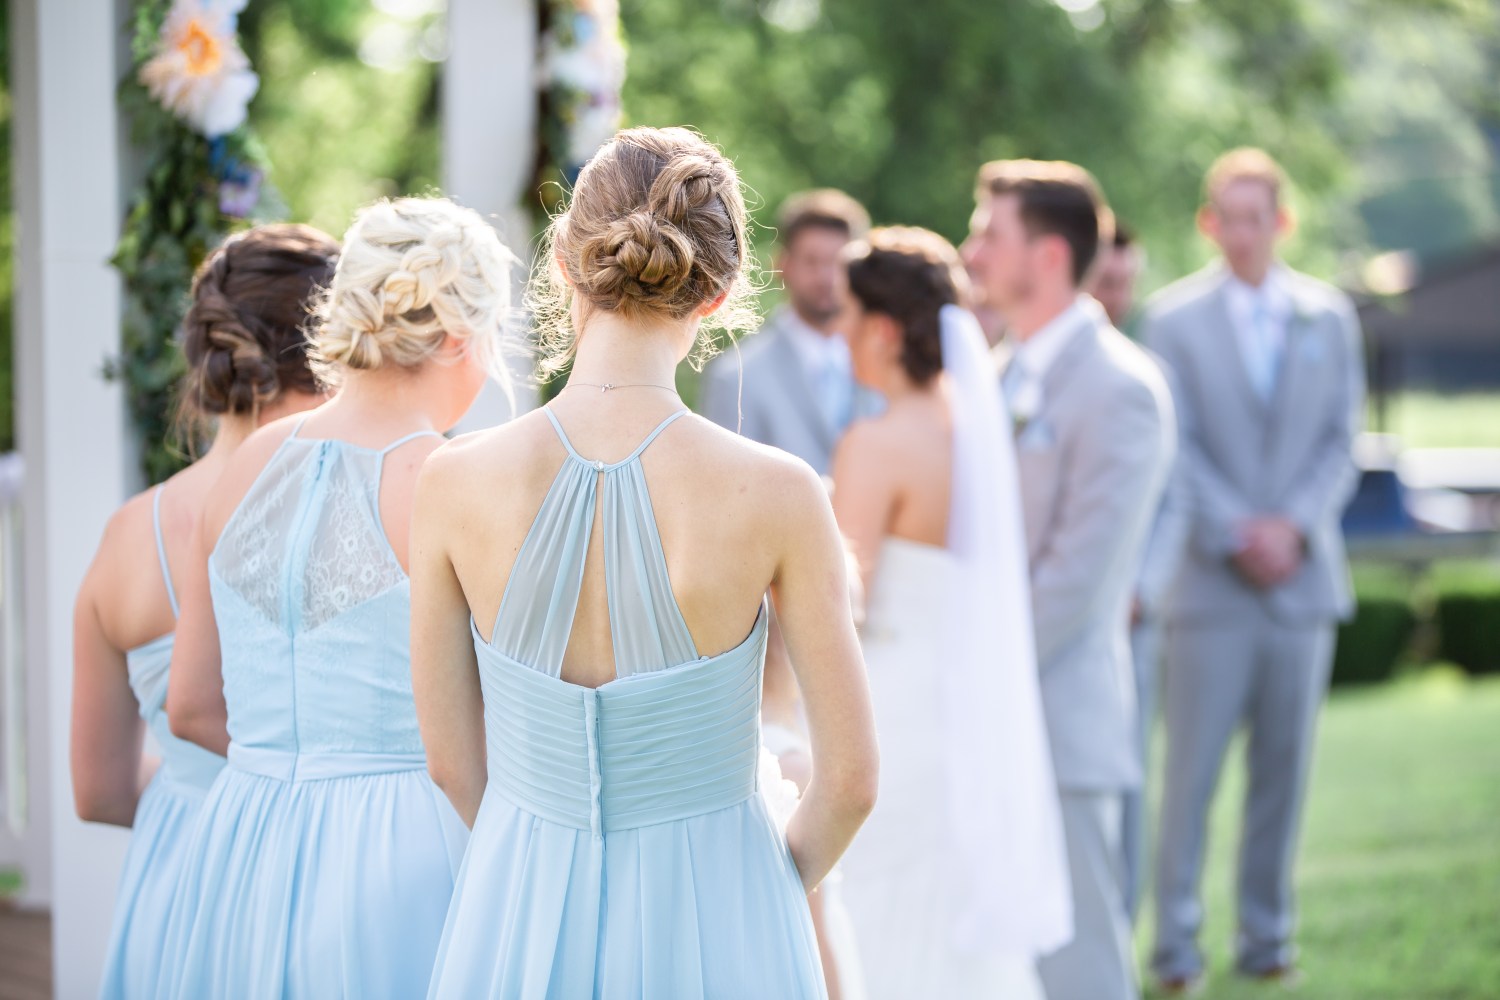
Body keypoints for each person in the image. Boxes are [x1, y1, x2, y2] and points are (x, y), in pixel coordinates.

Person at [412, 126, 878, 999]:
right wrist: (756, 887)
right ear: (722, 290)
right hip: (720, 918)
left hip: (519, 907)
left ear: (562, 260)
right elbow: (850, 781)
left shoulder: (451, 480)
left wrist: (538, 854)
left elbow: (451, 763)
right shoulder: (779, 492)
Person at [162, 197, 517, 999]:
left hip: (240, 847)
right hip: (402, 858)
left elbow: (188, 705)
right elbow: (489, 722)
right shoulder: (446, 480)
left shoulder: (246, 464)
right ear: (459, 336)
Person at [72, 224, 336, 999]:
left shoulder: (126, 536)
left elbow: (100, 792)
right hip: (309, 875)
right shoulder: (346, 514)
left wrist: (193, 785)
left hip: (173, 883)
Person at [1143, 148, 1365, 993]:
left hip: (1303, 585)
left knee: (1284, 775)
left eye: (1256, 215)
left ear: (1282, 222)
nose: (1241, 231)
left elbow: (1342, 439)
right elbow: (1179, 447)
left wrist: (1294, 527)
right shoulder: (1172, 320)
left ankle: (1268, 939)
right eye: (1226, 216)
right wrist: (1241, 529)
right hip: (1209, 587)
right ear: (1208, 222)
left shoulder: (1329, 316)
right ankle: (1176, 949)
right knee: (1190, 779)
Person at [830, 227, 1070, 999]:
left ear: (885, 330)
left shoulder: (873, 443)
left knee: (875, 916)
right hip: (963, 708)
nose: (838, 335)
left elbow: (843, 603)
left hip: (892, 707)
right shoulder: (978, 434)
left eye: (847, 316)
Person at [962, 159, 1175, 1000]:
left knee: (1079, 967)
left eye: (990, 233)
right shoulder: (992, 372)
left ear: (1047, 255)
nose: (972, 250)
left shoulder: (1121, 389)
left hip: (1058, 726)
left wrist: (972, 675)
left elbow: (1077, 582)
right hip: (983, 725)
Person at [1086, 224, 1192, 922]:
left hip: (1135, 619)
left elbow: (1177, 500)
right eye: (1107, 281)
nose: (1117, 296)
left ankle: (1121, 922)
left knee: (1129, 777)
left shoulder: (1151, 373)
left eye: (1126, 283)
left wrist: (1142, 591)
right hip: (1074, 612)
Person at [699, 188, 876, 475]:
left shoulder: (886, 362)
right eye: (811, 261)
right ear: (783, 265)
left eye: (837, 262)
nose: (826, 278)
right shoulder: (736, 376)